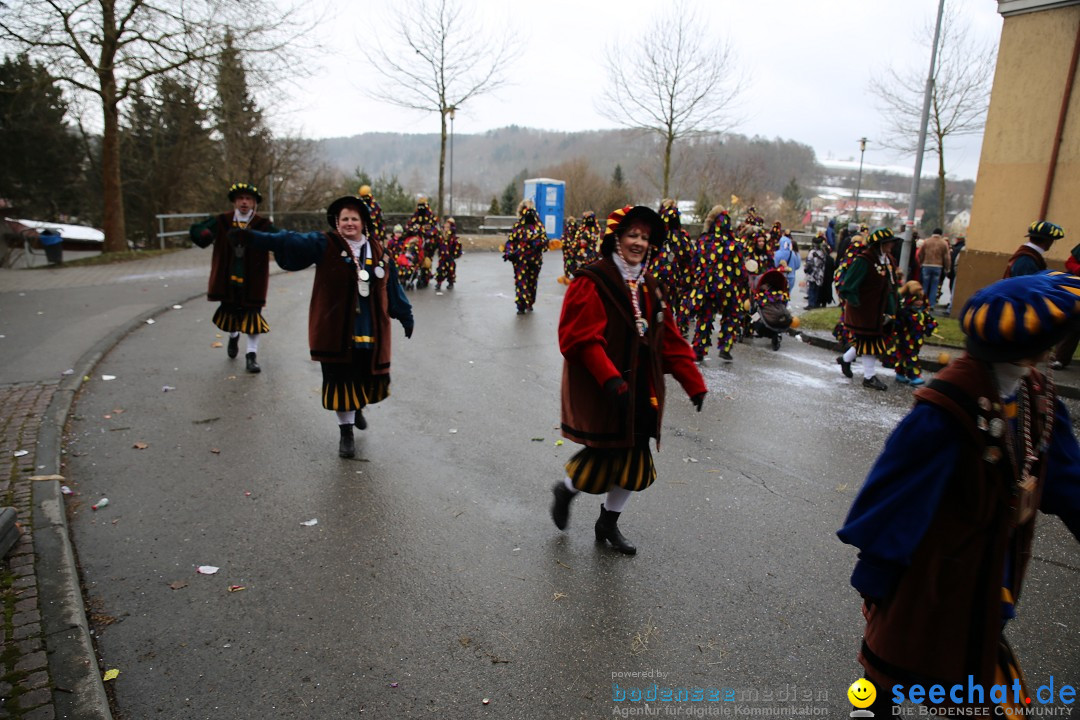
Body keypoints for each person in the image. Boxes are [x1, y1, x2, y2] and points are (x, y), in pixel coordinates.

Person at [837, 271, 1080, 715]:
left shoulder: (1036, 395)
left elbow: (1068, 481)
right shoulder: (946, 407)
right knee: (886, 671)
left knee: (971, 681)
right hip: (927, 578)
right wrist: (874, 581)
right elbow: (894, 497)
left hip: (987, 582)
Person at [550, 205, 707, 555]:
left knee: (636, 461)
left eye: (645, 237)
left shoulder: (649, 285)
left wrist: (692, 381)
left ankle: (608, 525)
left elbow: (669, 338)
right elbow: (580, 337)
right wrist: (609, 379)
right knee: (603, 457)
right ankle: (566, 490)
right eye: (632, 235)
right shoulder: (591, 280)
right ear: (616, 238)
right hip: (604, 387)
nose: (638, 242)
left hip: (641, 390)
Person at [236, 195, 414, 458]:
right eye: (345, 219)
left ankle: (358, 407)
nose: (350, 223)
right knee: (341, 380)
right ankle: (346, 434)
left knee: (365, 377)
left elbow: (392, 287)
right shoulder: (325, 244)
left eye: (354, 218)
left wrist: (405, 314)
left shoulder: (379, 251)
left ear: (363, 222)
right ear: (337, 222)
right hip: (336, 329)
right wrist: (253, 238)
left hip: (371, 329)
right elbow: (288, 240)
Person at [189, 182, 276, 373]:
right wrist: (203, 234)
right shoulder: (223, 221)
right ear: (234, 202)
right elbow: (197, 229)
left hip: (254, 280)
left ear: (254, 203)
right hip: (228, 278)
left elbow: (280, 238)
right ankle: (234, 335)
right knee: (232, 312)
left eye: (248, 199)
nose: (244, 202)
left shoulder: (262, 225)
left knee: (254, 315)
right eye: (240, 199)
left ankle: (251, 356)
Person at [836, 227, 900, 390]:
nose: (891, 245)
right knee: (870, 342)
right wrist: (858, 304)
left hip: (881, 310)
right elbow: (848, 285)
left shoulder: (888, 260)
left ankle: (845, 359)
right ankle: (869, 377)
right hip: (866, 311)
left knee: (864, 341)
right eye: (887, 243)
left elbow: (891, 284)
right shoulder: (864, 260)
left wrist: (893, 306)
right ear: (879, 244)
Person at [690, 207, 748, 363]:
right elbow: (740, 271)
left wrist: (699, 281)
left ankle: (699, 350)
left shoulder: (703, 241)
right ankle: (725, 348)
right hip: (728, 289)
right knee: (731, 316)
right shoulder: (734, 244)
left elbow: (694, 264)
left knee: (705, 317)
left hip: (707, 287)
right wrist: (742, 284)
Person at [502, 200, 548, 314]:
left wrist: (537, 244)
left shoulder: (539, 227)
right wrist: (509, 252)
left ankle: (530, 302)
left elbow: (545, 244)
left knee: (532, 283)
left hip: (535, 260)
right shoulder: (518, 226)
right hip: (520, 260)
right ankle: (521, 305)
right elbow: (511, 241)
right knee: (521, 281)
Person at [889, 280, 936, 387]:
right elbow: (899, 324)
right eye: (917, 300)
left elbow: (930, 321)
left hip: (917, 340)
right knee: (911, 356)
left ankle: (900, 373)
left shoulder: (923, 312)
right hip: (906, 339)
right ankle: (914, 376)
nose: (920, 302)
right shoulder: (905, 312)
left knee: (905, 356)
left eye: (921, 300)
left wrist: (930, 327)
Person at [405, 197, 441, 289]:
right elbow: (409, 227)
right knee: (414, 259)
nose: (421, 209)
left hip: (428, 244)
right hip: (416, 242)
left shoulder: (431, 217)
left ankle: (425, 278)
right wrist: (414, 230)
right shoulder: (415, 216)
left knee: (426, 261)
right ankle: (410, 276)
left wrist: (426, 233)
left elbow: (436, 229)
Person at [918, 227, 950, 310]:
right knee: (934, 286)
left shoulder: (927, 241)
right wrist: (947, 267)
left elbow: (920, 253)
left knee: (924, 286)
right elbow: (947, 257)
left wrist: (921, 262)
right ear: (940, 234)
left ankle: (922, 303)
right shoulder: (943, 243)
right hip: (938, 266)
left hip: (926, 265)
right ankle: (931, 304)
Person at [435, 216, 461, 291]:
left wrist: (455, 254)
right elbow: (438, 245)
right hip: (442, 257)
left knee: (450, 270)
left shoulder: (452, 238)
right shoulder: (441, 237)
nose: (446, 229)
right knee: (440, 270)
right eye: (445, 227)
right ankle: (439, 283)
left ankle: (451, 282)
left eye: (448, 227)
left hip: (449, 257)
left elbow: (456, 247)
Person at [802, 234, 827, 310]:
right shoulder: (823, 252)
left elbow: (809, 262)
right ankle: (816, 303)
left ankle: (811, 304)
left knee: (811, 289)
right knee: (817, 289)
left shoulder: (812, 252)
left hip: (812, 273)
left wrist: (806, 269)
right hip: (820, 273)